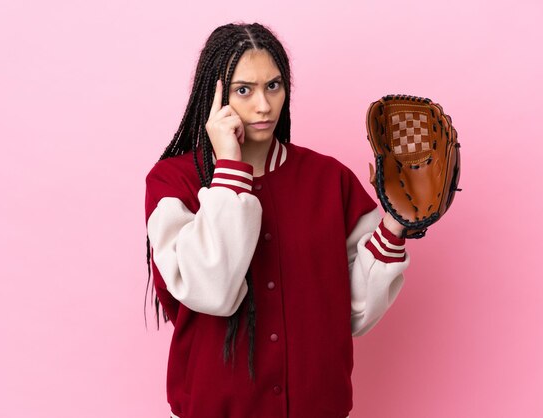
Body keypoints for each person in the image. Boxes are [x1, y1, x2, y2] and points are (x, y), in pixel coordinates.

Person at [144, 22, 410, 418]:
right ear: (213, 95)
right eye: (243, 90)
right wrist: (230, 167)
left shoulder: (330, 180)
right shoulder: (172, 181)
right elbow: (213, 291)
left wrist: (394, 224)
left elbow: (353, 313)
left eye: (273, 85)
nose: (264, 106)